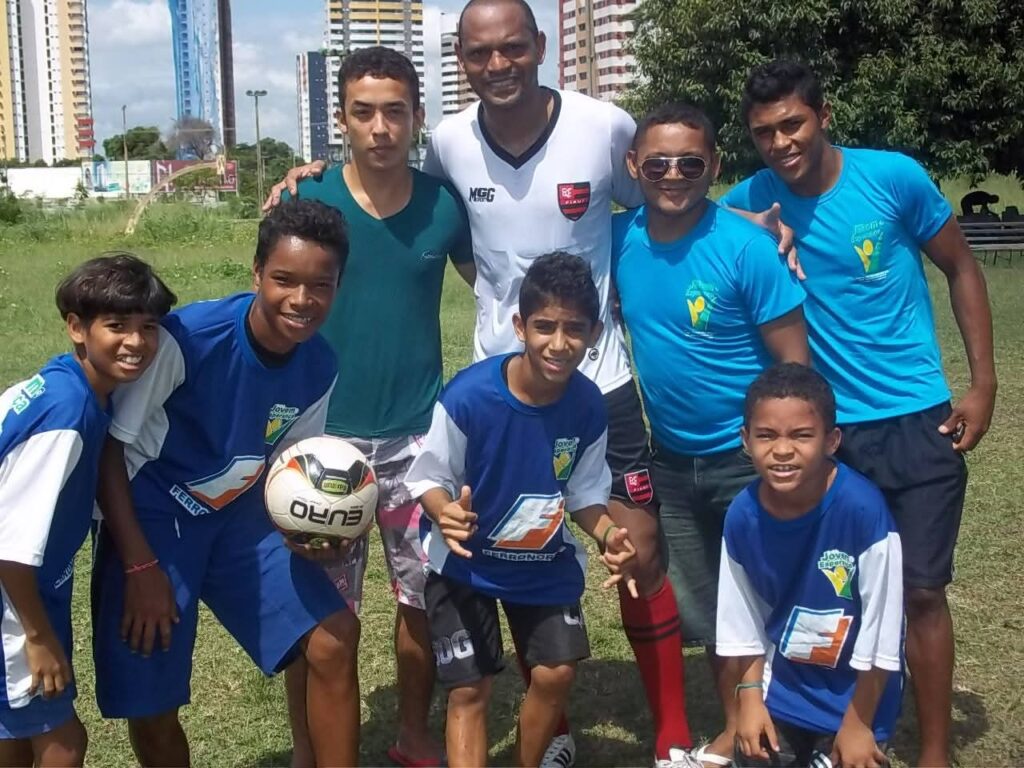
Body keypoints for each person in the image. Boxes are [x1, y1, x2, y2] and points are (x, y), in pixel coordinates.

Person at [264, 4, 797, 762]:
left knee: (640, 548)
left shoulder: (604, 126)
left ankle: (671, 730)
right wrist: (306, 173)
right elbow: (431, 226)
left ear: (541, 46)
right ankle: (553, 723)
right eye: (480, 52)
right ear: (461, 59)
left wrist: (746, 221)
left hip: (600, 382)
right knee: (504, 547)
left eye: (513, 47)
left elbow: (670, 189)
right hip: (500, 389)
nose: (499, 63)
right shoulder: (449, 144)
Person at [720, 60, 997, 767]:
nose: (780, 143)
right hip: (822, 436)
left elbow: (961, 267)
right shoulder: (753, 197)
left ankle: (933, 752)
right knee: (832, 586)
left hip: (915, 419)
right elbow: (687, 214)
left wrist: (983, 384)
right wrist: (749, 223)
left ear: (824, 116)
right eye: (763, 132)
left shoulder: (893, 177)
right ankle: (833, 725)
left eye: (792, 124)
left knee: (922, 592)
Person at [90, 200, 361, 767]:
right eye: (285, 279)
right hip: (154, 521)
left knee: (334, 636)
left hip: (239, 518)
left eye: (321, 285)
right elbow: (111, 449)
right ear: (257, 272)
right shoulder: (187, 340)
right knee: (153, 703)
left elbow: (292, 467)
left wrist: (312, 532)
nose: (302, 299)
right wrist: (139, 566)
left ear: (339, 287)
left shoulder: (321, 364)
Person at [278, 46, 473, 768]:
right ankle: (310, 749)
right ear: (341, 119)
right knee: (319, 613)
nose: (381, 127)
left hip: (417, 443)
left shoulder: (444, 206)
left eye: (395, 111)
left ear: (418, 116)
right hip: (321, 444)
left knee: (419, 601)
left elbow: (497, 286)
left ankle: (413, 733)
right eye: (364, 112)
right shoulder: (308, 201)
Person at [612, 103, 809, 767]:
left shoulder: (747, 248)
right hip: (670, 460)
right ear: (634, 166)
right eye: (658, 164)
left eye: (690, 163)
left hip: (747, 459)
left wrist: (784, 455)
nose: (674, 175)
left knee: (771, 601)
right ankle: (736, 732)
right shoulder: (616, 238)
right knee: (715, 612)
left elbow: (794, 367)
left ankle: (792, 734)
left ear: (715, 165)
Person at [404, 252, 638, 768]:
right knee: (470, 688)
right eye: (544, 327)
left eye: (574, 329)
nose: (559, 343)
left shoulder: (588, 405)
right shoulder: (468, 398)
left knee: (556, 673)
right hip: (464, 562)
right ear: (519, 326)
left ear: (595, 333)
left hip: (541, 560)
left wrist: (607, 534)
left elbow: (584, 491)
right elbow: (427, 477)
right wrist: (444, 511)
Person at [0, 253, 175, 768]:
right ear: (76, 327)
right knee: (63, 743)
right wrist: (37, 637)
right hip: (14, 605)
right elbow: (10, 547)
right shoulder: (68, 414)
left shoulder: (63, 383)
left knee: (14, 739)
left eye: (148, 327)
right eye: (116, 326)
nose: (136, 342)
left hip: (28, 594)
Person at [719, 363, 904, 768]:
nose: (782, 450)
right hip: (783, 690)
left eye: (802, 435)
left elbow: (883, 630)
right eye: (766, 435)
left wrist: (858, 723)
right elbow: (742, 619)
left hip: (857, 698)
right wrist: (749, 696)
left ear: (831, 440)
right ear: (746, 440)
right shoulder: (742, 516)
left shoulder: (863, 511)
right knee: (755, 755)